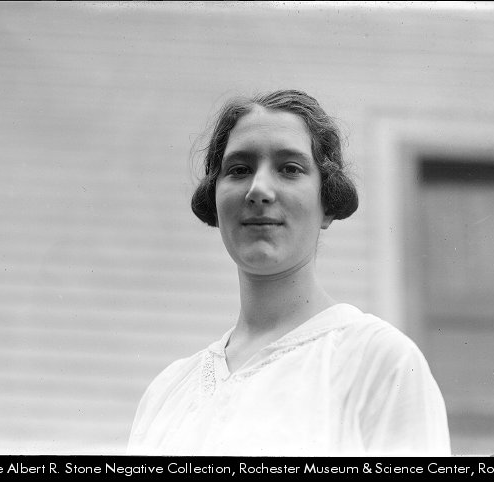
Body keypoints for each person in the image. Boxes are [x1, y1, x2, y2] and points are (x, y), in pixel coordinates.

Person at [127, 90, 451, 456]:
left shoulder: (378, 362)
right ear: (214, 200)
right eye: (239, 170)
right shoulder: (167, 393)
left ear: (328, 202)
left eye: (290, 169)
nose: (258, 190)